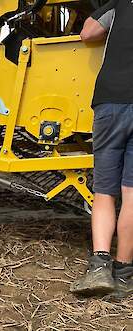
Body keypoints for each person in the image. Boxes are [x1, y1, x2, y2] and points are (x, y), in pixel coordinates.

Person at [70, 0, 133, 297]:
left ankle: (99, 266)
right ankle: (123, 272)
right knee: (132, 193)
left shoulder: (120, 3)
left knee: (105, 190)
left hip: (112, 100)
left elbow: (87, 32)